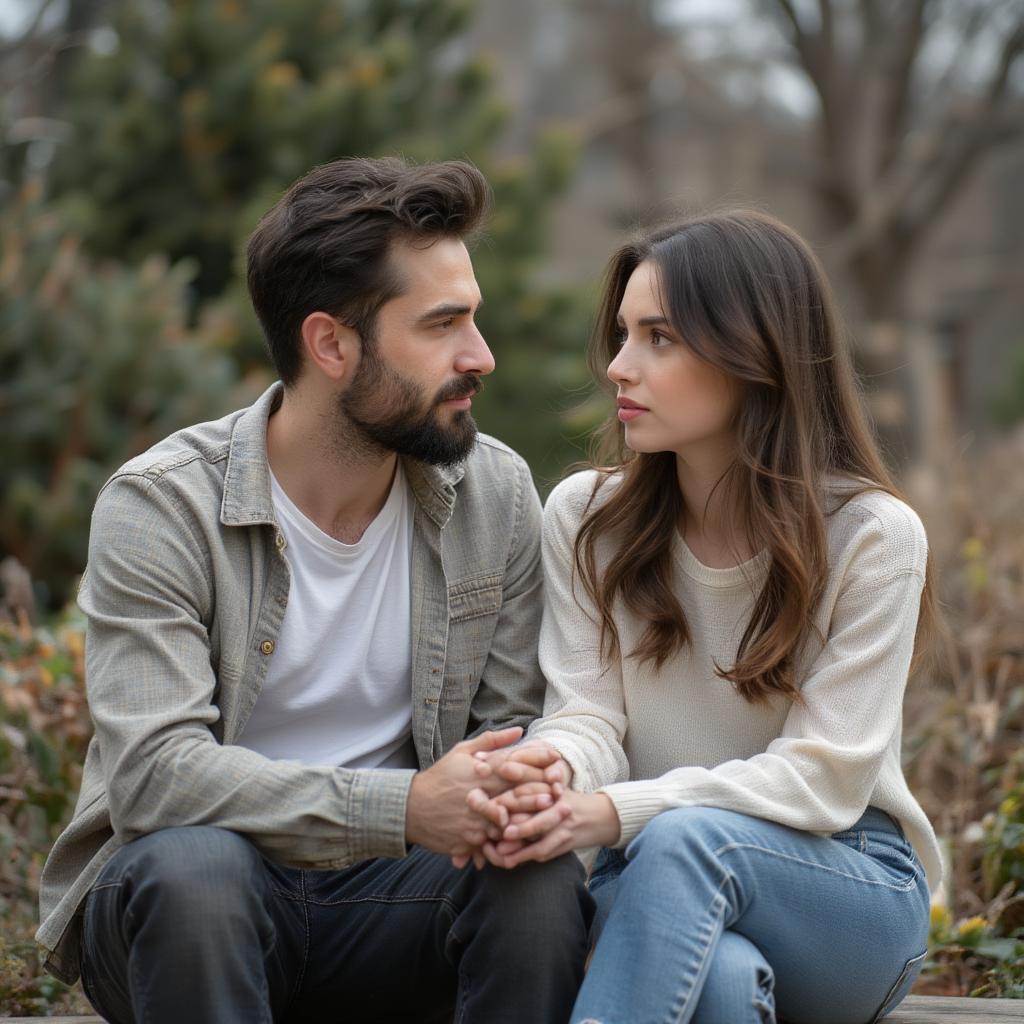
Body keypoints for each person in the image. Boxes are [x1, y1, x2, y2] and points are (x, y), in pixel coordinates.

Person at [35, 156, 593, 1024]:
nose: (479, 356)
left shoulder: (496, 493)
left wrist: (515, 789)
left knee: (534, 875)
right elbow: (154, 778)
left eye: (472, 319)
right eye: (442, 325)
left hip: (393, 904)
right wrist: (404, 807)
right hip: (191, 908)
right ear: (330, 343)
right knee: (197, 868)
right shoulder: (162, 504)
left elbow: (504, 736)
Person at [467, 210, 941, 1024]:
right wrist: (549, 779)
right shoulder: (586, 518)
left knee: (687, 841)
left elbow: (825, 776)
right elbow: (585, 717)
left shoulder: (871, 537)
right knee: (719, 984)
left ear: (755, 353)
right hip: (652, 875)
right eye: (622, 335)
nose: (619, 367)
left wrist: (619, 811)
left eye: (660, 338)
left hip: (844, 888)